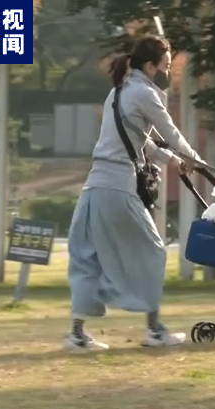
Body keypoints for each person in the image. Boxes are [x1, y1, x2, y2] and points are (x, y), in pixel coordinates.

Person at [64, 35, 201, 351]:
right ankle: (154, 330)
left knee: (88, 258)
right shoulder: (144, 93)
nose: (167, 72)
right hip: (117, 186)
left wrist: (174, 160)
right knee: (152, 251)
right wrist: (195, 158)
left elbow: (142, 141)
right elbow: (169, 131)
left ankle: (76, 334)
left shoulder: (118, 92)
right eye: (165, 66)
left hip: (94, 186)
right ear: (151, 66)